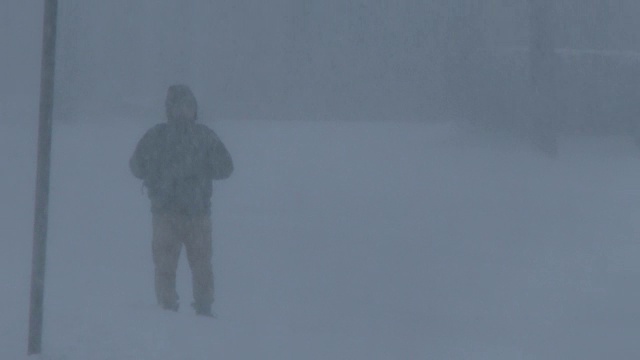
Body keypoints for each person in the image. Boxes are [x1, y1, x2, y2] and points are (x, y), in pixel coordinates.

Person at [129, 85, 233, 316]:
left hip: (198, 214)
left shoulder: (205, 137)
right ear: (169, 109)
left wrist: (202, 169)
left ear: (195, 109)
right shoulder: (157, 136)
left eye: (189, 106)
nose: (184, 111)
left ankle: (204, 308)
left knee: (202, 265)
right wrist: (156, 174)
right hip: (165, 214)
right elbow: (136, 166)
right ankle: (166, 309)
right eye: (179, 106)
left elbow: (226, 167)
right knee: (164, 266)